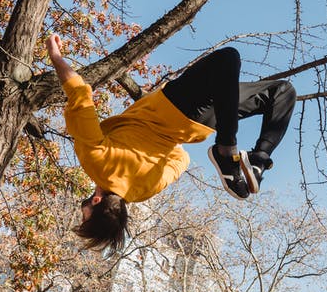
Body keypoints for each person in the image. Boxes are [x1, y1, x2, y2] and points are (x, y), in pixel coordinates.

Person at [46, 35, 296, 252]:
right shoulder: (93, 159)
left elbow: (181, 160)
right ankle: (232, 152)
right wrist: (56, 57)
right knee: (230, 59)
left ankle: (258, 161)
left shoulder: (142, 192)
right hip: (177, 103)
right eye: (84, 215)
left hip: (203, 122)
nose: (81, 212)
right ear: (96, 201)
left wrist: (165, 139)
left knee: (282, 91)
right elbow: (80, 95)